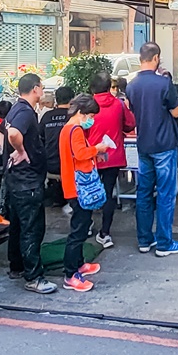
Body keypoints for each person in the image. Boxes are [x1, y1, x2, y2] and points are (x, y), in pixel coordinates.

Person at [126, 42, 178, 256]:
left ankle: (144, 240)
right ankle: (164, 242)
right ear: (156, 58)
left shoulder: (131, 86)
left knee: (143, 193)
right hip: (164, 144)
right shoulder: (164, 83)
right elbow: (177, 112)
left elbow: (133, 111)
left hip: (143, 145)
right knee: (165, 194)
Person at [3, 73, 55, 293]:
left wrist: (11, 154)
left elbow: (2, 132)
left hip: (16, 179)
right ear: (35, 89)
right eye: (41, 87)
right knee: (32, 229)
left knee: (17, 225)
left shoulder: (15, 109)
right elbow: (13, 133)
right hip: (27, 181)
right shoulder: (24, 112)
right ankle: (33, 276)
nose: (42, 90)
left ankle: (17, 266)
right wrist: (20, 151)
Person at [60, 94, 111, 292]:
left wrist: (95, 152)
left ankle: (79, 265)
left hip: (73, 184)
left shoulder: (68, 129)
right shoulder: (75, 130)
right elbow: (80, 154)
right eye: (90, 115)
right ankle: (71, 274)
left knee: (80, 227)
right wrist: (97, 148)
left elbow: (77, 155)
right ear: (81, 113)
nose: (92, 119)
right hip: (78, 187)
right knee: (78, 231)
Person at [88, 72, 136, 248]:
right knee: (108, 194)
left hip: (90, 157)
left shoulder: (86, 106)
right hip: (113, 157)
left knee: (88, 191)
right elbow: (130, 124)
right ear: (109, 87)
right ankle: (105, 233)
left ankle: (86, 226)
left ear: (92, 88)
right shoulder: (118, 104)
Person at [40, 86, 74, 207]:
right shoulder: (74, 117)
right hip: (70, 166)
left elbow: (40, 140)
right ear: (72, 100)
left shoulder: (46, 117)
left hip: (50, 164)